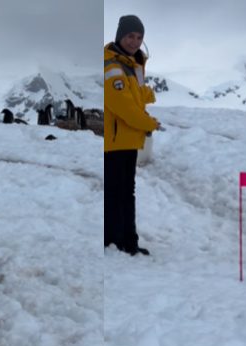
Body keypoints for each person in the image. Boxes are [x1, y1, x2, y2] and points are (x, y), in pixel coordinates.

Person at [104, 15, 159, 256]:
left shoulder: (131, 63)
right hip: (114, 141)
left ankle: (129, 241)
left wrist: (145, 94)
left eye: (139, 37)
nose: (135, 42)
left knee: (127, 192)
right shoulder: (112, 67)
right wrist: (149, 123)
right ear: (120, 36)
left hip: (127, 139)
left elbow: (132, 95)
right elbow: (122, 106)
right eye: (130, 36)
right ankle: (114, 243)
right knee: (117, 194)